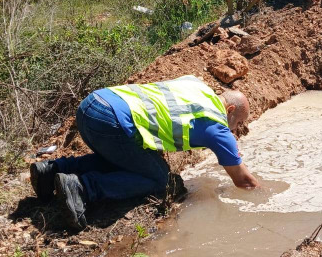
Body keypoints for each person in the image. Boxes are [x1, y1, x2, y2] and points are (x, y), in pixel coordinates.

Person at [29, 75, 259, 230]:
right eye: (238, 123)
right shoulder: (218, 129)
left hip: (92, 105)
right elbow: (244, 181)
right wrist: (268, 197)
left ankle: (52, 170)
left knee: (127, 159)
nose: (236, 130)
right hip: (111, 122)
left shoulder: (196, 84)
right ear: (229, 110)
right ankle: (82, 188)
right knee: (161, 180)